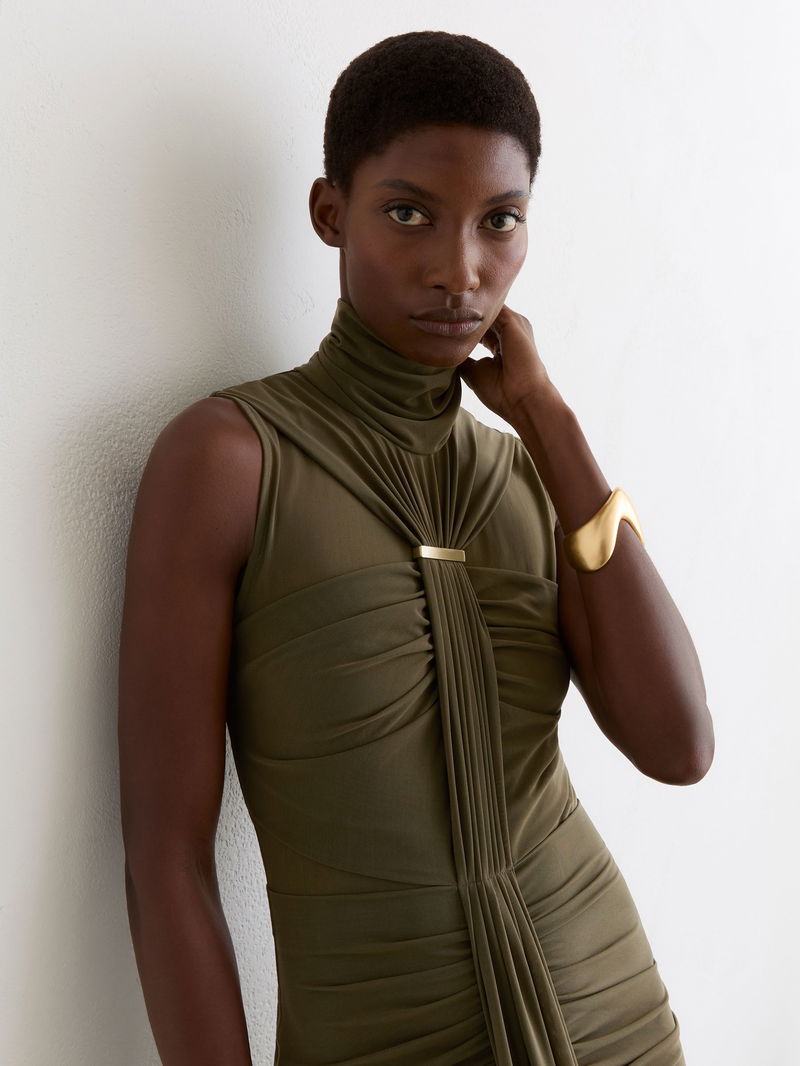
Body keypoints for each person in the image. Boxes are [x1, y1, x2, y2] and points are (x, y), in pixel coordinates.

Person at [118, 30, 714, 1066]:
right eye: (408, 214)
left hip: (613, 1019)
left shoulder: (526, 474)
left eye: (499, 222)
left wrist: (548, 420)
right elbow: (165, 859)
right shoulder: (228, 460)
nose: (459, 271)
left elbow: (678, 747)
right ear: (329, 212)